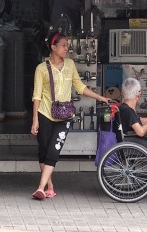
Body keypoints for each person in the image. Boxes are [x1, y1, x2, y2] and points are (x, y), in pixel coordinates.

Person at [30, 33, 112, 201]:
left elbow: (80, 87)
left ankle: (40, 187)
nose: (67, 49)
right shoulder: (41, 68)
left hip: (65, 115)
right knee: (44, 150)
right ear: (53, 47)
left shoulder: (70, 65)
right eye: (63, 46)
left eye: (67, 45)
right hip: (45, 114)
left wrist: (100, 97)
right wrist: (35, 120)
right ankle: (50, 187)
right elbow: (36, 96)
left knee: (54, 151)